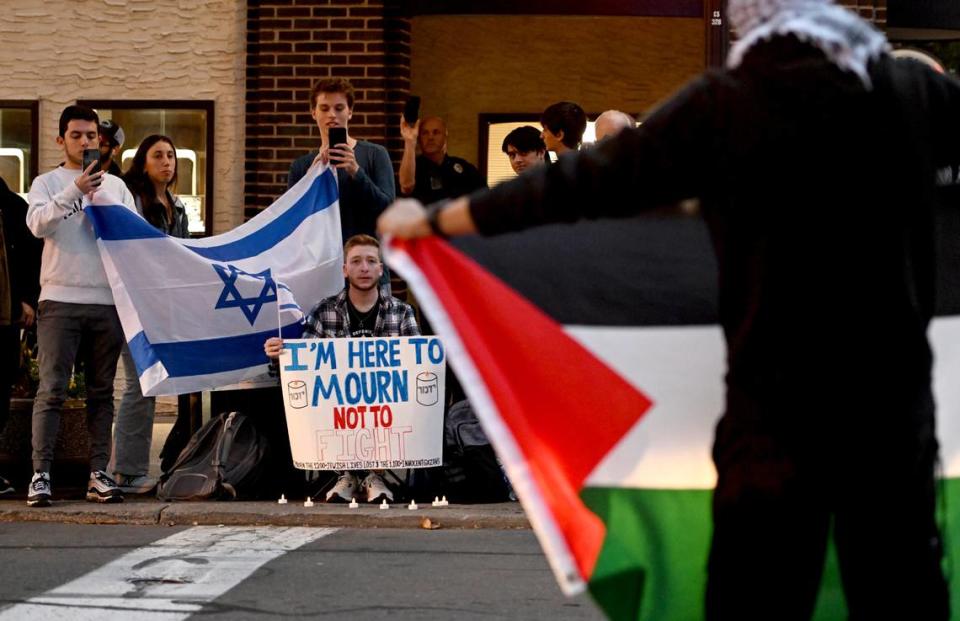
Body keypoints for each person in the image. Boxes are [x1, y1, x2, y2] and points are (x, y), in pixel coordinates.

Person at [378, 1, 960, 618]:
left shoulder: (728, 101)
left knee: (759, 591)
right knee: (900, 587)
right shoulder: (913, 93)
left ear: (746, 19)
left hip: (773, 412)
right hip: (893, 408)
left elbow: (585, 183)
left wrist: (437, 220)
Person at [25, 105, 137, 506]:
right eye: (77, 135)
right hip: (59, 298)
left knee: (101, 393)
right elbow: (37, 225)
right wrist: (76, 190)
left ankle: (98, 473)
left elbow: (133, 239)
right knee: (52, 390)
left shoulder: (117, 186)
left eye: (92, 136)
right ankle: (40, 474)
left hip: (106, 300)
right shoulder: (46, 182)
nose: (86, 142)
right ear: (61, 140)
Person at [263, 234, 419, 503]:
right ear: (345, 270)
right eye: (356, 261)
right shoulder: (324, 311)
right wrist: (280, 357)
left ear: (381, 269)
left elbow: (418, 367)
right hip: (337, 410)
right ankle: (344, 473)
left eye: (371, 261)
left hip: (387, 409)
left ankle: (374, 475)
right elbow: (302, 371)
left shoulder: (401, 312)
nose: (364, 268)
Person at [112, 135, 190, 494]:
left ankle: (136, 468)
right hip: (135, 302)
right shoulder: (135, 201)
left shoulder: (177, 206)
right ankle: (127, 472)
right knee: (139, 384)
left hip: (164, 304)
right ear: (142, 162)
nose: (167, 162)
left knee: (151, 384)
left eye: (171, 155)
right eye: (158, 155)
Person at [287, 78, 395, 243]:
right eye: (324, 108)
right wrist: (309, 181)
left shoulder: (375, 154)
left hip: (365, 260)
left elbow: (389, 210)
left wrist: (357, 172)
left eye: (339, 108)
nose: (332, 115)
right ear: (313, 112)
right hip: (322, 260)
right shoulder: (301, 166)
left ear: (350, 112)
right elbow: (292, 223)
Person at [0, 177, 41, 496]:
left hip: (6, 316)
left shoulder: (13, 206)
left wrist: (27, 297)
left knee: (1, 390)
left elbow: (32, 256)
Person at [399, 116, 486, 204]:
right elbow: (406, 186)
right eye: (425, 133)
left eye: (436, 132)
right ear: (419, 138)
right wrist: (409, 142)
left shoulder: (463, 168)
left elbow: (485, 198)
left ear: (445, 135)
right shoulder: (412, 168)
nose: (430, 137)